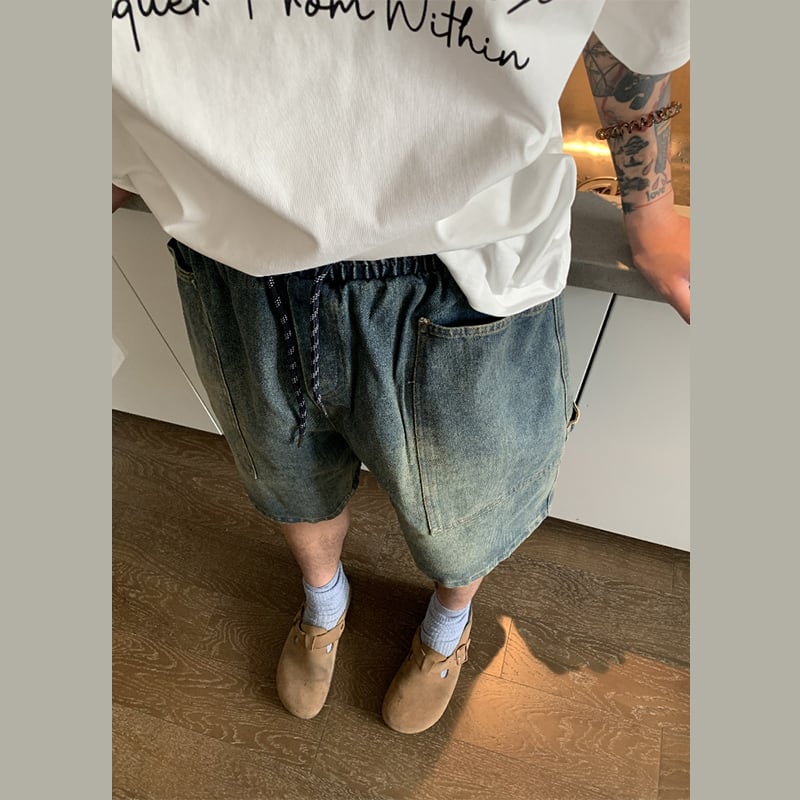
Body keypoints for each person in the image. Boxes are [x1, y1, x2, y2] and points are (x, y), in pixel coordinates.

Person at [112, 0, 689, 734]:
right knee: (288, 479)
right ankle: (324, 601)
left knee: (470, 515)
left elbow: (632, 28)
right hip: (232, 243)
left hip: (465, 256)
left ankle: (449, 623)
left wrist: (650, 207)